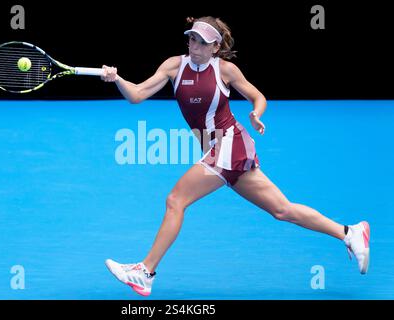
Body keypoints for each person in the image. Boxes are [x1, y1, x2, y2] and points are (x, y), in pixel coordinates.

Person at [102, 16, 370, 297]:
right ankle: (349, 232)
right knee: (282, 210)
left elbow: (258, 96)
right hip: (222, 150)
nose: (194, 46)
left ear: (215, 47)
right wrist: (117, 78)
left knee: (176, 200)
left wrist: (256, 114)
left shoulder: (225, 70)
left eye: (202, 42)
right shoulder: (174, 65)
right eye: (192, 39)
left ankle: (146, 272)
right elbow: (136, 94)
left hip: (231, 144)